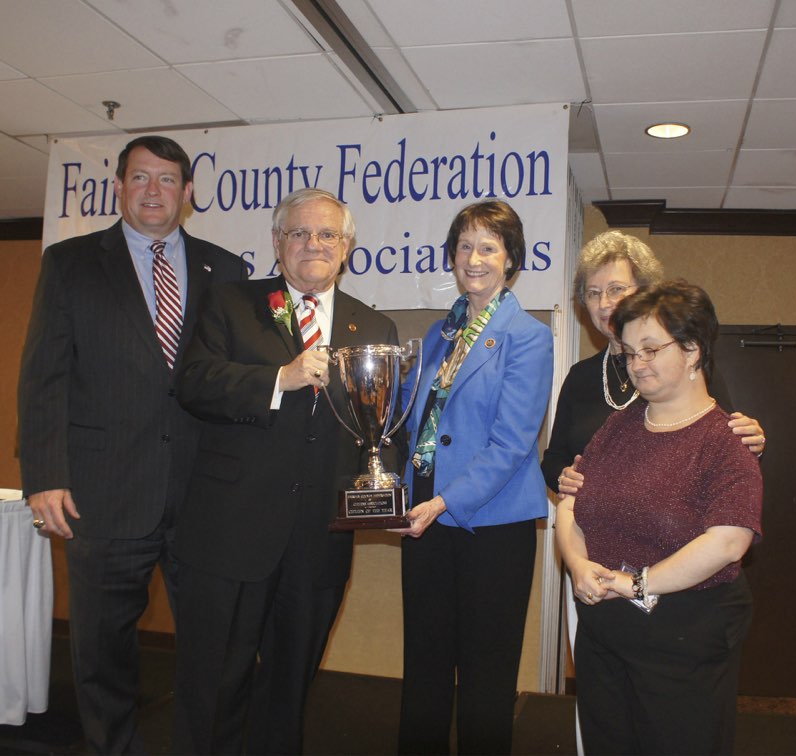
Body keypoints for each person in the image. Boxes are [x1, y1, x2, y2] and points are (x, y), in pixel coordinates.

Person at [17, 135, 247, 753]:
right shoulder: (70, 264)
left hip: (204, 497)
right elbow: (44, 377)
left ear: (188, 193)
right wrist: (44, 475)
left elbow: (236, 384)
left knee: (212, 652)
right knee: (102, 654)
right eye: (140, 177)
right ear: (118, 187)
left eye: (167, 179)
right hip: (104, 495)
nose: (153, 190)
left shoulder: (226, 270)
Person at [171, 188, 403, 755]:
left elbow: (382, 428)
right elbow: (193, 384)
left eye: (327, 234)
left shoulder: (372, 326)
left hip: (318, 539)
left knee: (290, 687)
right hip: (231, 532)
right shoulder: (230, 303)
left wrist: (387, 490)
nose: (313, 244)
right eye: (299, 233)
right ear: (277, 243)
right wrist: (280, 378)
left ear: (346, 247)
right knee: (214, 685)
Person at [541, 230, 764, 755]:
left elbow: (729, 542)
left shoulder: (722, 438)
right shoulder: (617, 428)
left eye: (651, 350)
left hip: (684, 645)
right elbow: (571, 505)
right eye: (630, 352)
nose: (636, 363)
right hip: (605, 638)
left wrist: (636, 584)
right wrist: (577, 565)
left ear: (692, 352)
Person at [396, 200, 553, 755]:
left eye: (488, 246)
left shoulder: (528, 337)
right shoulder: (441, 333)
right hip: (424, 521)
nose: (474, 257)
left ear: (511, 259)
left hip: (491, 527)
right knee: (425, 667)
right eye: (464, 245)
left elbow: (512, 444)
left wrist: (442, 502)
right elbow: (413, 423)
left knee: (486, 680)